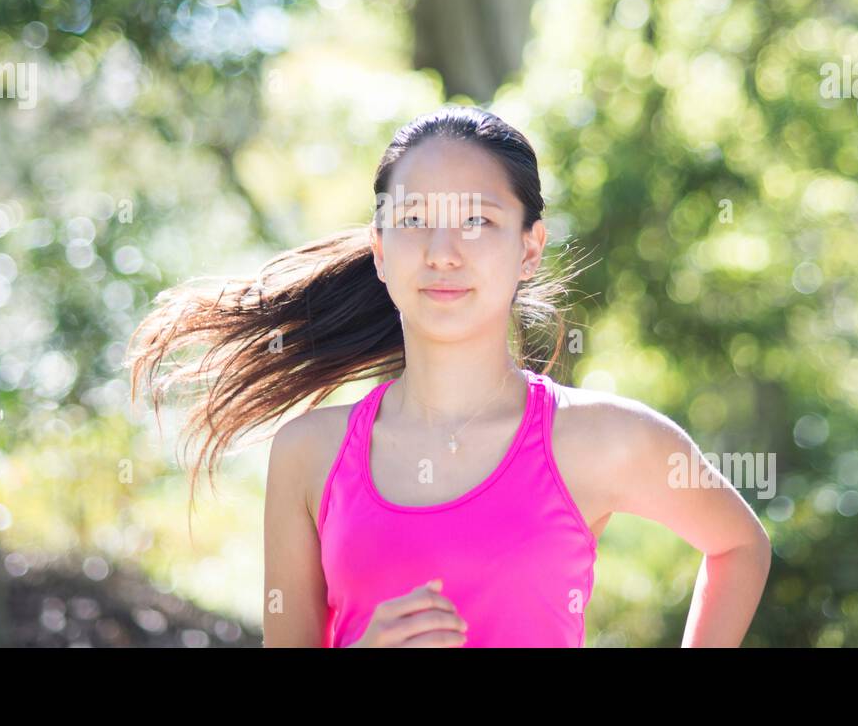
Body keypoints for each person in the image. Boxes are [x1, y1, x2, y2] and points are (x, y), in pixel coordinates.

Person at [128, 105, 771, 647]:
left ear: (528, 248)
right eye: (413, 221)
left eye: (477, 222)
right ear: (381, 251)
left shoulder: (603, 437)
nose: (442, 252)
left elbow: (739, 547)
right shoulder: (309, 453)